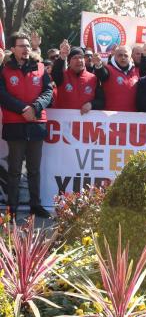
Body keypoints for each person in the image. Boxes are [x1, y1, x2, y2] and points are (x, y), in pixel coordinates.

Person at [0, 33, 53, 219]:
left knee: (34, 169)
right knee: (14, 170)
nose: (26, 49)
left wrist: (35, 107)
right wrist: (23, 109)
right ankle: (12, 209)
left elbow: (48, 92)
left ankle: (35, 205)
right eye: (21, 46)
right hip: (15, 125)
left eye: (27, 46)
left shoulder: (40, 67)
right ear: (13, 49)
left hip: (36, 125)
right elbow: (2, 95)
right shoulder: (4, 70)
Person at [51, 41, 104, 113]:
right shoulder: (62, 76)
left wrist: (91, 104)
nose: (78, 60)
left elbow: (101, 101)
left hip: (85, 119)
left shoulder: (93, 78)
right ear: (69, 62)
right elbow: (55, 73)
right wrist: (63, 56)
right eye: (75, 58)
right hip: (63, 118)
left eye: (81, 57)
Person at [93, 45, 141, 112]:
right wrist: (98, 65)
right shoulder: (108, 69)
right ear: (115, 57)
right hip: (111, 116)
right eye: (120, 55)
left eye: (126, 55)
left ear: (130, 57)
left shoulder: (137, 71)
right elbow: (102, 74)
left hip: (132, 116)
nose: (123, 57)